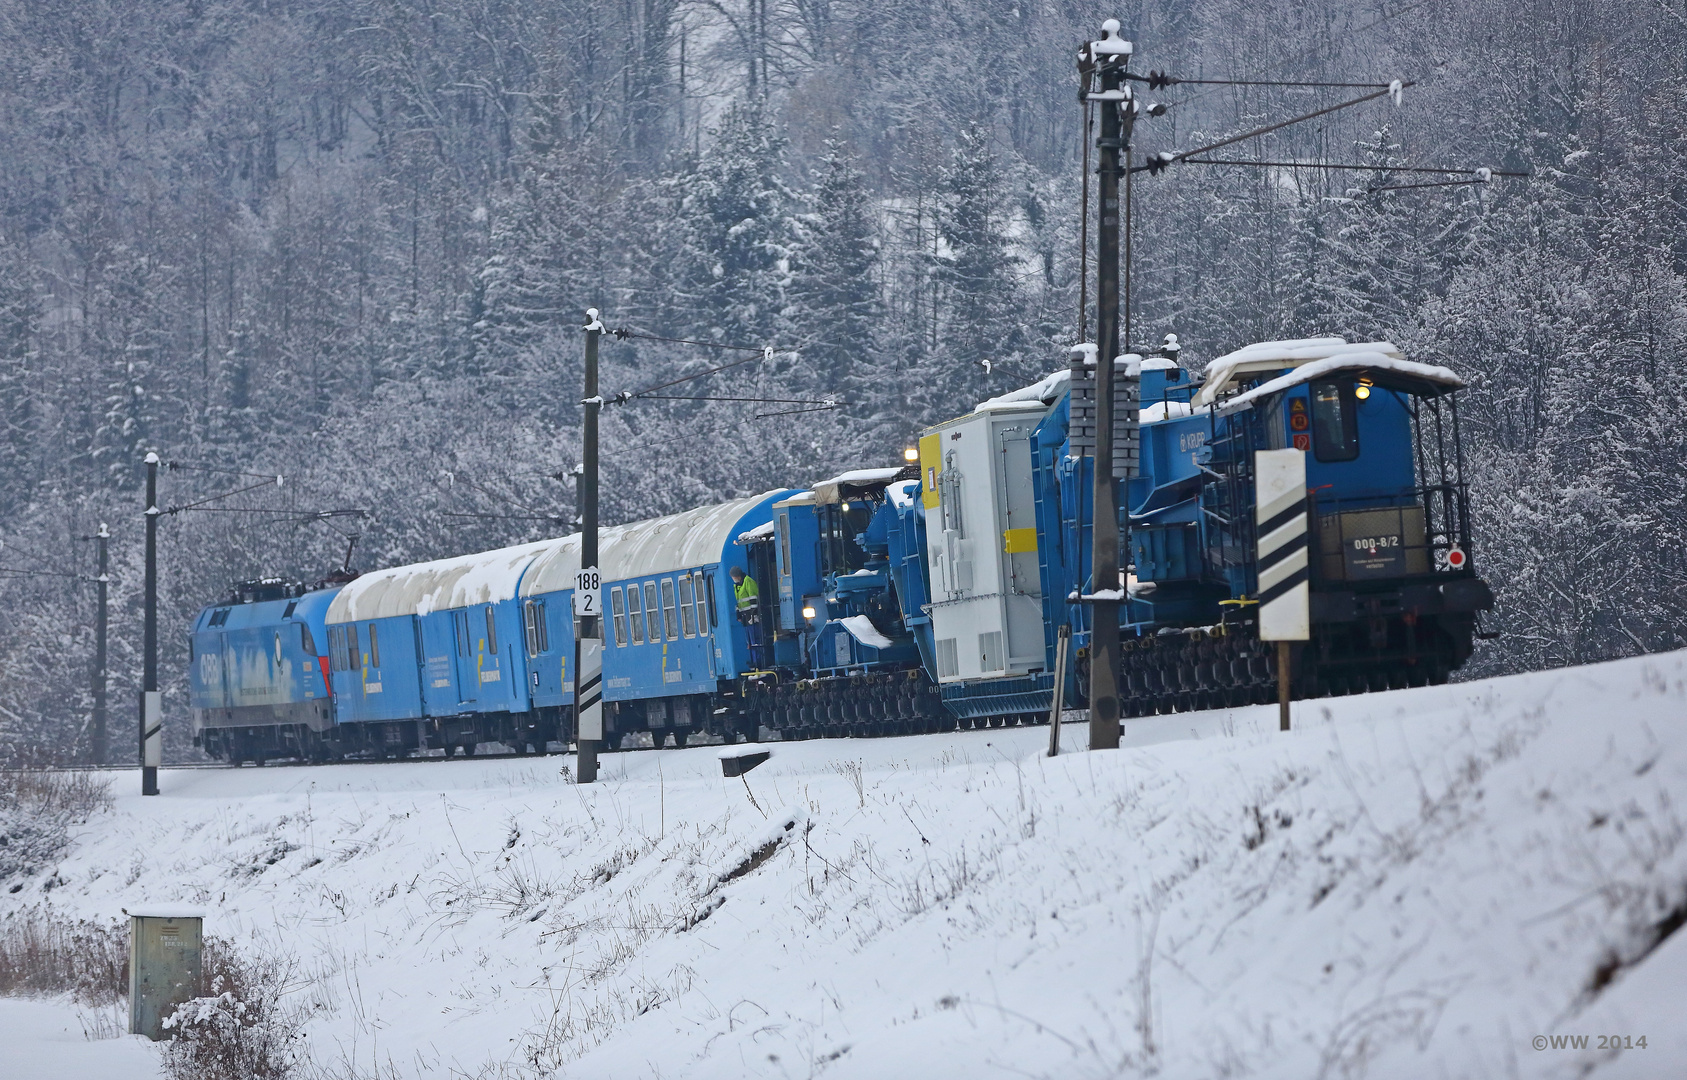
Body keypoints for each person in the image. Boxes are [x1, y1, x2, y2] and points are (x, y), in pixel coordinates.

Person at [729, 566, 763, 667]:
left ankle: (758, 661)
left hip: (752, 615)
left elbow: (754, 598)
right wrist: (738, 613)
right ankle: (754, 660)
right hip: (745, 616)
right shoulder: (737, 586)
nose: (733, 579)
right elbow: (739, 602)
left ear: (737, 576)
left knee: (755, 639)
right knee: (750, 641)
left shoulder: (748, 581)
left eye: (734, 577)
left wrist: (755, 614)